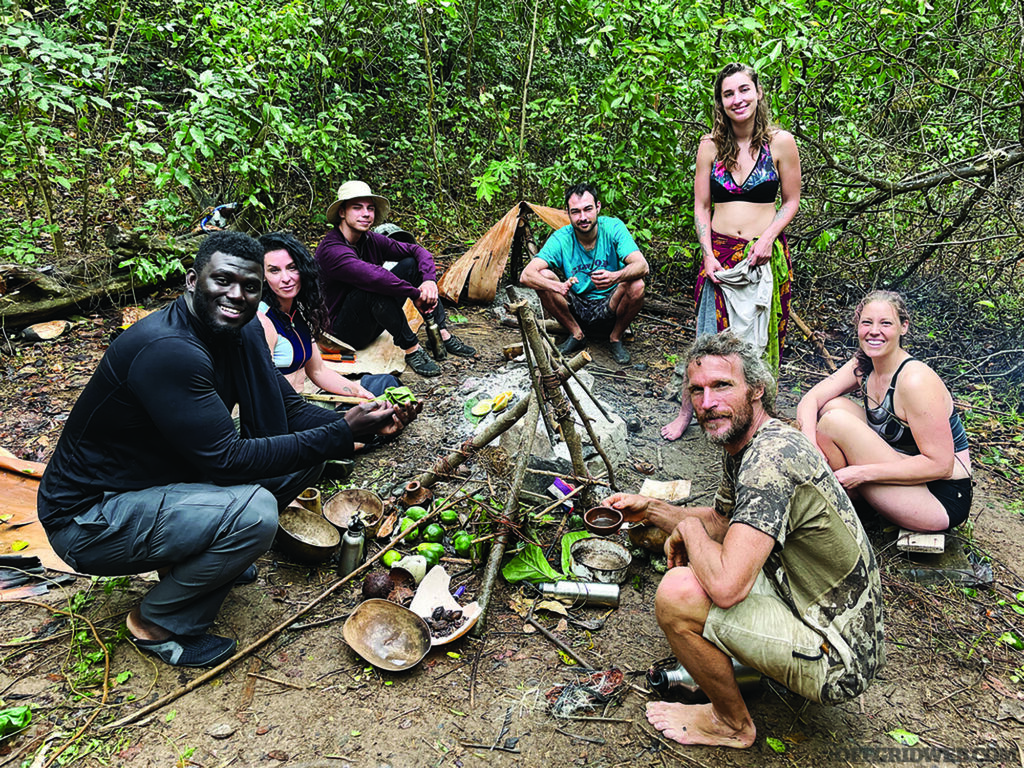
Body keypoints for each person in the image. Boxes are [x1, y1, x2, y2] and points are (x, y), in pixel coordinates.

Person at [37, 231, 415, 668]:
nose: (236, 295)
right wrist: (337, 434)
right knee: (254, 513)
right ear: (192, 280)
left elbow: (288, 408)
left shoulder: (241, 330)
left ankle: (204, 559)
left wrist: (366, 425)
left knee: (307, 459)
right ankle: (156, 622)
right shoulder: (170, 349)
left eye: (251, 286)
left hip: (158, 482)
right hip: (89, 517)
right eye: (222, 281)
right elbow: (227, 458)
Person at [606, 331, 884, 748]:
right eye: (697, 390)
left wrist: (688, 529)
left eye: (722, 385)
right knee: (706, 555)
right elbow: (723, 521)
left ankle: (732, 724)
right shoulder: (750, 441)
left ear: (757, 390)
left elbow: (727, 585)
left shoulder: (769, 461)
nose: (707, 402)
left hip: (839, 653)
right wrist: (652, 510)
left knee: (679, 592)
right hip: (808, 602)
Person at [662, 62, 800, 441]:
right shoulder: (710, 147)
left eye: (743, 90)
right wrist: (707, 253)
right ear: (720, 103)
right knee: (707, 338)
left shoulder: (781, 143)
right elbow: (701, 207)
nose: (737, 99)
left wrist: (770, 236)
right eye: (728, 94)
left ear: (757, 93)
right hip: (720, 255)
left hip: (762, 256)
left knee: (759, 339)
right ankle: (688, 411)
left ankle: (758, 415)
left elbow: (791, 201)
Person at [796, 291, 972, 532]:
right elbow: (811, 398)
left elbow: (942, 466)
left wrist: (863, 474)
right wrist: (810, 442)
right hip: (900, 466)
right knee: (830, 407)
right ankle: (859, 501)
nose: (874, 331)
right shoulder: (864, 364)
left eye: (885, 323)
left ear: (903, 327)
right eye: (867, 322)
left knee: (834, 421)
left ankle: (855, 499)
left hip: (939, 496)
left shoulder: (915, 381)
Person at [314, 180, 475, 378]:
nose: (366, 214)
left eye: (370, 208)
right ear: (342, 212)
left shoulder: (369, 239)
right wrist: (415, 293)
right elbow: (374, 278)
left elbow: (417, 251)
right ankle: (411, 348)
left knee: (410, 264)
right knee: (375, 288)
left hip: (369, 318)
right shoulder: (332, 250)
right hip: (340, 334)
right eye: (357, 208)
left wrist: (429, 282)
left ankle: (441, 333)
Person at [258, 231, 401, 404]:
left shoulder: (299, 312)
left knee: (386, 384)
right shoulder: (262, 321)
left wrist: (359, 392)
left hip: (304, 402)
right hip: (282, 412)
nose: (286, 278)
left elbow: (318, 371)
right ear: (262, 276)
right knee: (367, 420)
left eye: (292, 267)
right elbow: (262, 391)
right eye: (274, 271)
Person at [518, 182, 648, 365]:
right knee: (544, 277)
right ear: (568, 213)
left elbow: (642, 265)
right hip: (576, 303)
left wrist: (614, 276)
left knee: (637, 284)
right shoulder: (562, 238)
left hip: (611, 302)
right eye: (576, 212)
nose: (583, 217)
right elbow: (526, 275)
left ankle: (615, 337)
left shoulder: (613, 228)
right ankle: (576, 333)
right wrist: (558, 286)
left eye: (588, 209)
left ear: (598, 207)